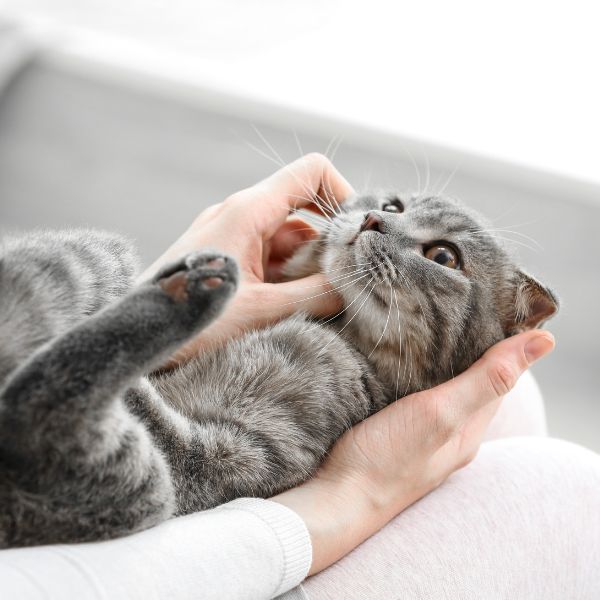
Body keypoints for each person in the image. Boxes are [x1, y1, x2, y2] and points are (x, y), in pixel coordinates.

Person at [1, 155, 598, 599]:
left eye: (440, 257)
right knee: (572, 485)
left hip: (94, 482)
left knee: (89, 266)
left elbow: (201, 469)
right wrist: (354, 495)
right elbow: (192, 479)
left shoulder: (331, 368)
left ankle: (76, 374)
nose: (377, 227)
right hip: (75, 518)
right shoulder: (324, 364)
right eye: (389, 208)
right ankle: (70, 382)